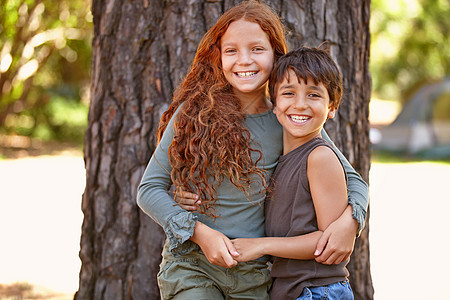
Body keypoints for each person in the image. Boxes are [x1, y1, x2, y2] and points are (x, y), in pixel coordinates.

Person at [137, 1, 368, 299]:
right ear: (218, 57)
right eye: (231, 51)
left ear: (276, 54)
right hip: (194, 265)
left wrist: (351, 223)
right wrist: (198, 232)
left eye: (257, 49)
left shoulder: (288, 119)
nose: (244, 60)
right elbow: (150, 188)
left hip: (256, 274)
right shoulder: (193, 115)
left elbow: (353, 180)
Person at [230, 46, 354, 299]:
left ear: (332, 107)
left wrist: (260, 246)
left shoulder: (320, 157)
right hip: (294, 289)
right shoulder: (281, 157)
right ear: (274, 104)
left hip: (318, 290)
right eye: (289, 93)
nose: (300, 104)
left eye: (313, 95)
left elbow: (328, 242)